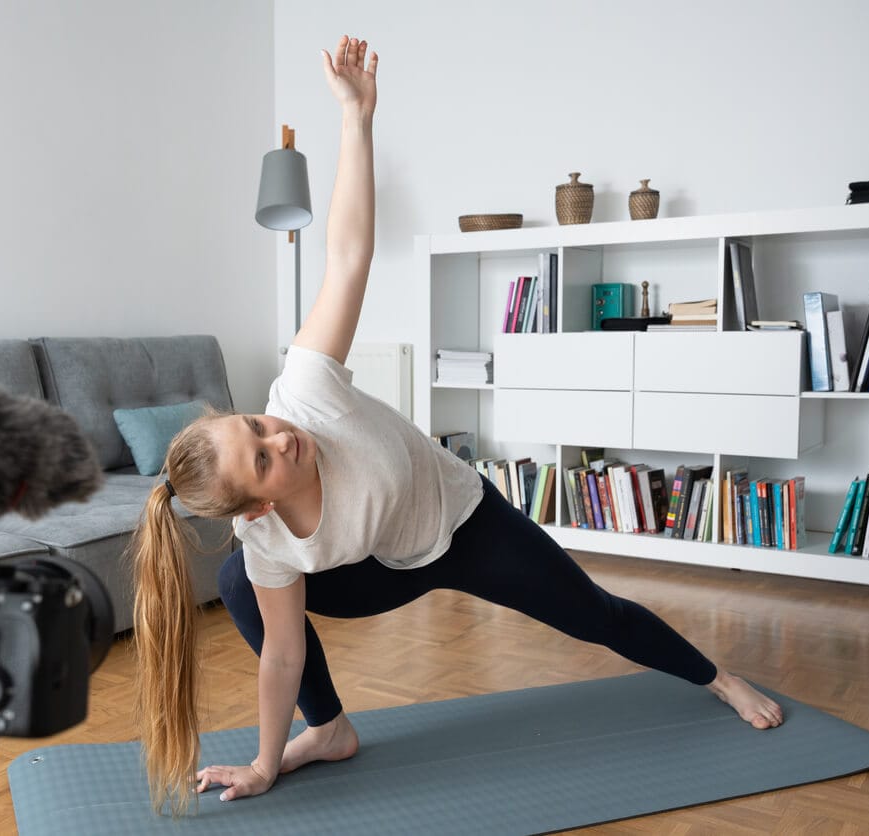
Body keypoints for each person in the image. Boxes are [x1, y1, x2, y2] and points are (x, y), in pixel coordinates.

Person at [129, 35, 783, 816]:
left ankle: (719, 680)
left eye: (257, 426)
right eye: (263, 460)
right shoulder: (267, 540)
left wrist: (356, 118)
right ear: (259, 506)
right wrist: (266, 765)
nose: (281, 439)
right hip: (376, 566)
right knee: (245, 585)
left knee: (591, 613)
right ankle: (329, 731)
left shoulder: (307, 391)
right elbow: (281, 654)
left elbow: (345, 256)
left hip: (463, 523)